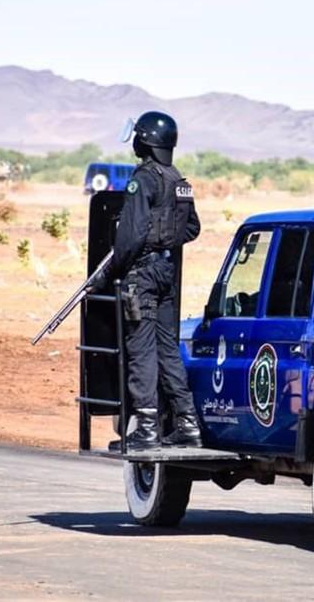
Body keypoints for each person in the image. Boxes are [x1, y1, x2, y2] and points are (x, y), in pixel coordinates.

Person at [90, 111, 202, 451]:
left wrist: (107, 273)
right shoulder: (179, 180)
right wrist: (165, 241)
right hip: (167, 274)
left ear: (147, 142)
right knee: (168, 350)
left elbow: (130, 237)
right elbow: (192, 228)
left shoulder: (143, 179)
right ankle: (187, 423)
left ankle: (148, 428)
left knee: (140, 349)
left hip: (142, 275)